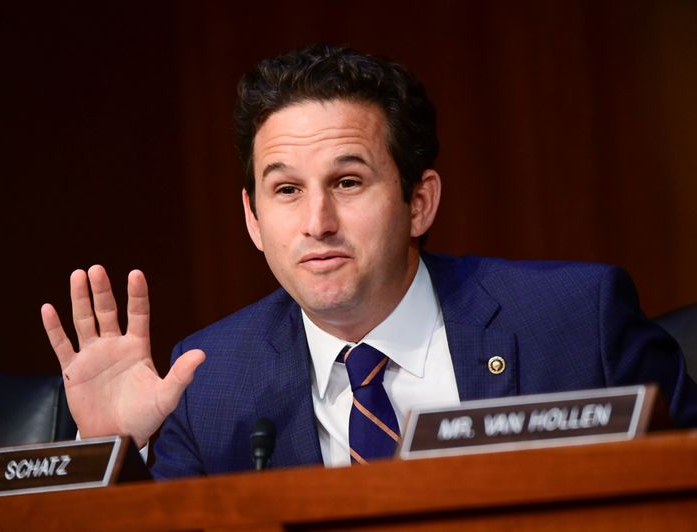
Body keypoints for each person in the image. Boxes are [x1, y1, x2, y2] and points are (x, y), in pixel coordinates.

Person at [41, 44, 697, 479]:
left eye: (348, 183)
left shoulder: (576, 323)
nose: (317, 222)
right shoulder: (208, 389)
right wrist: (118, 458)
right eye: (287, 190)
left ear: (418, 201)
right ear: (252, 219)